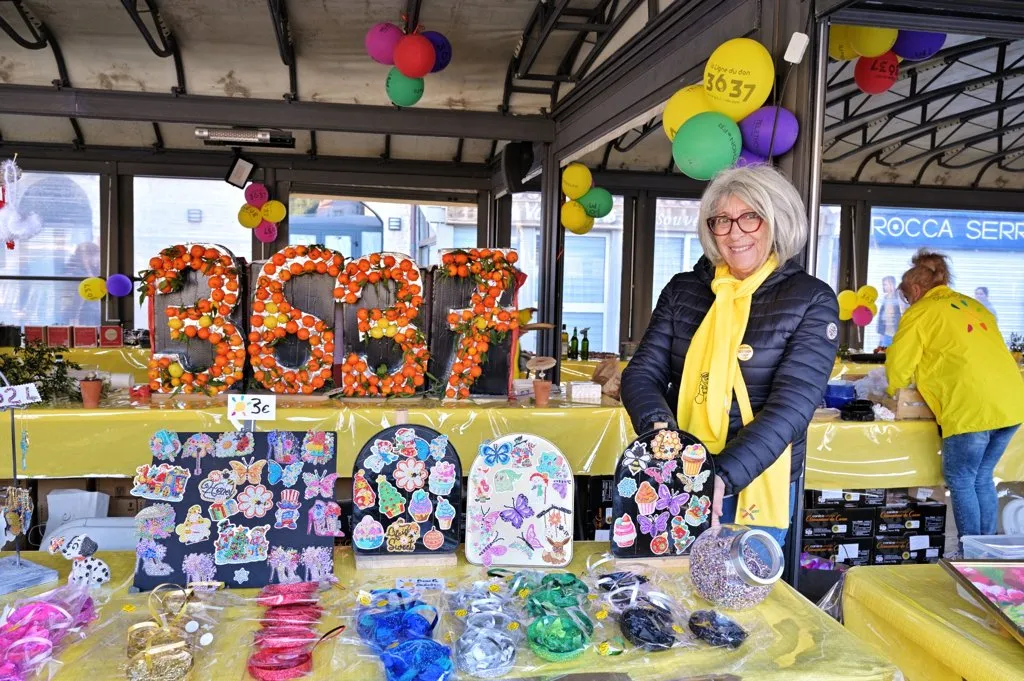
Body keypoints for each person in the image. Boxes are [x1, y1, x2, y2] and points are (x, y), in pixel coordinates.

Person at [620, 165, 839, 549]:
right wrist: (662, 435)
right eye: (722, 220)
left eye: (750, 217)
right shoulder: (683, 290)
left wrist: (719, 476)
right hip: (676, 474)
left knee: (737, 584)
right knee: (668, 581)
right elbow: (642, 373)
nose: (735, 233)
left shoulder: (811, 299)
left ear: (777, 221)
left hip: (753, 479)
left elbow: (791, 407)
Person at [887, 251, 1024, 551]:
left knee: (961, 479)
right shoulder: (973, 306)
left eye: (907, 298)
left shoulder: (921, 312)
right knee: (982, 477)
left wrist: (893, 391)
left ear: (916, 290)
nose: (907, 304)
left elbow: (899, 363)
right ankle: (987, 551)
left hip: (971, 406)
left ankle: (970, 552)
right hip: (1012, 403)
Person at [876, 275, 905, 347]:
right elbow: (882, 317)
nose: (883, 286)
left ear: (891, 284)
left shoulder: (898, 296)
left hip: (895, 333)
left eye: (885, 284)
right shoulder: (885, 298)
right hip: (886, 333)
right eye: (883, 284)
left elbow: (903, 311)